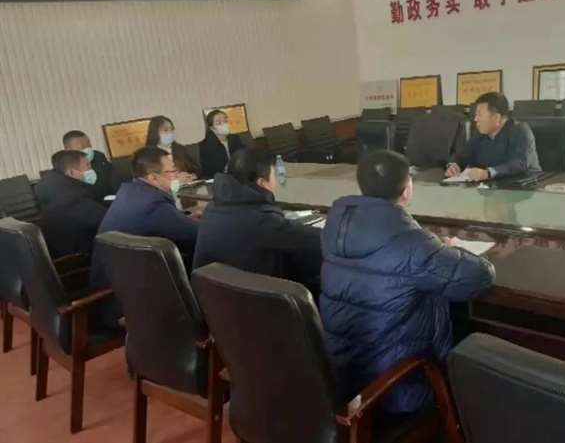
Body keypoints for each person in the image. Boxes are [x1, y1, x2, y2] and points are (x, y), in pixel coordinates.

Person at [321, 149, 495, 415]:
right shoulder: (412, 243)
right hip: (397, 388)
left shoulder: (334, 226)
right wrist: (449, 249)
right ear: (407, 191)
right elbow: (480, 276)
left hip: (342, 376)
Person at [93, 147, 200, 328]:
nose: (177, 176)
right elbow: (198, 234)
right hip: (130, 304)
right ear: (153, 178)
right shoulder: (153, 206)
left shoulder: (130, 192)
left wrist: (184, 218)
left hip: (115, 294)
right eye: (173, 171)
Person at [193, 148, 322, 293]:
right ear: (261, 183)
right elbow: (317, 240)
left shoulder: (212, 207)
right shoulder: (262, 219)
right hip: (253, 300)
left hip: (213, 298)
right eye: (274, 176)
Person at [446, 92, 540, 182]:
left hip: (524, 187)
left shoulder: (520, 130)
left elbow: (521, 163)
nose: (475, 119)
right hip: (491, 187)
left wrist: (488, 173)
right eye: (475, 114)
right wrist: (453, 165)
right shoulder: (479, 134)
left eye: (479, 114)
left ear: (496, 118)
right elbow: (463, 155)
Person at [35, 150, 107, 258]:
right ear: (72, 173)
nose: (92, 170)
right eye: (88, 166)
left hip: (65, 249)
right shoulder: (71, 198)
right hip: (82, 257)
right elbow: (107, 220)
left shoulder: (55, 188)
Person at [62, 130, 118, 200]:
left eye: (89, 146)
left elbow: (114, 177)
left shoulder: (99, 157)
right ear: (68, 150)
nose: (88, 150)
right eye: (82, 148)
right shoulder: (64, 170)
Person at [145, 115, 200, 182]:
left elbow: (195, 169)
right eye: (165, 130)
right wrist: (177, 180)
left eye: (171, 130)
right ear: (155, 133)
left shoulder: (180, 149)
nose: (170, 133)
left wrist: (190, 175)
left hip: (186, 186)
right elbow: (152, 181)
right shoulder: (147, 155)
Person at [198, 109, 245, 179]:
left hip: (239, 175)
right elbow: (209, 170)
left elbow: (243, 155)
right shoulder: (205, 145)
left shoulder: (235, 138)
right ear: (212, 128)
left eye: (225, 121)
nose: (224, 124)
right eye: (219, 122)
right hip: (221, 178)